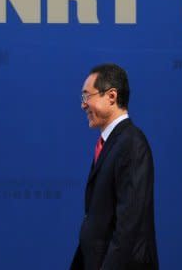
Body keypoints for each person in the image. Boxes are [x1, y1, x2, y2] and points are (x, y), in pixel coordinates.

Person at [70, 63, 159, 270]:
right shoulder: (113, 143)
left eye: (86, 96)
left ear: (111, 96)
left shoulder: (131, 144)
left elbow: (128, 226)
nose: (83, 105)